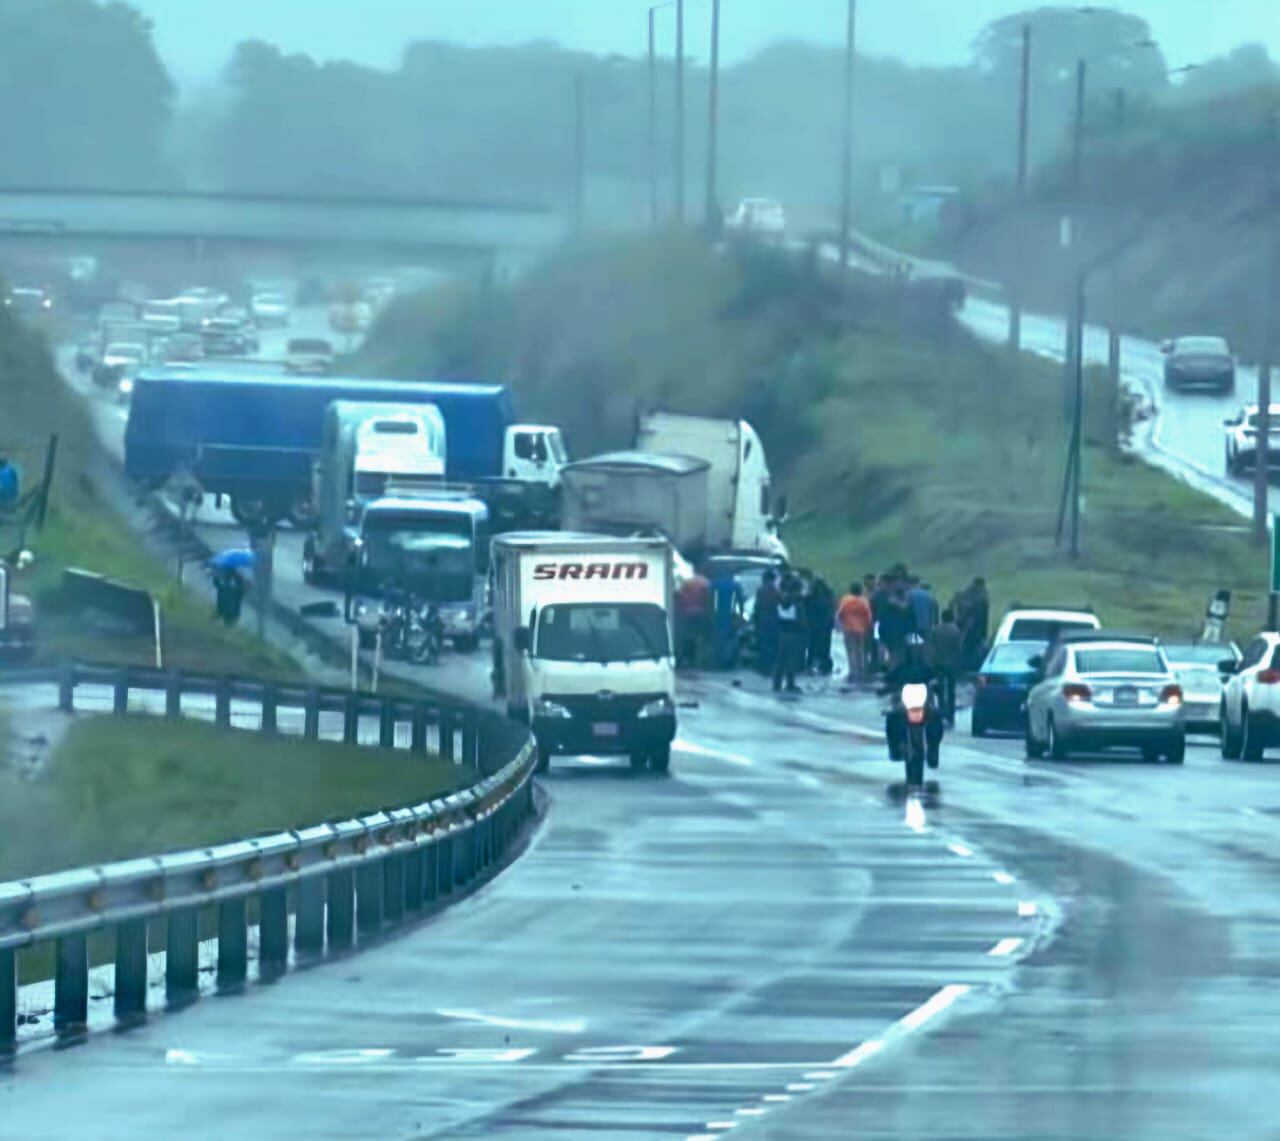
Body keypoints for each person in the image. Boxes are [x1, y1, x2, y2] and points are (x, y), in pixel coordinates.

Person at [882, 634, 944, 770]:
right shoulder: (902, 667)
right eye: (912, 649)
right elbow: (890, 678)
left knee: (936, 717)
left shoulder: (927, 668)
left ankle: (933, 749)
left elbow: (935, 679)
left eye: (917, 649)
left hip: (923, 702)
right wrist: (887, 686)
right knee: (892, 717)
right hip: (905, 702)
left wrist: (936, 685)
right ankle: (895, 748)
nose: (915, 653)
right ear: (908, 650)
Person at [773, 574, 807, 694]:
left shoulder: (780, 601)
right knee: (792, 660)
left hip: (782, 633)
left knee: (781, 659)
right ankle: (790, 683)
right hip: (794, 634)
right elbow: (802, 621)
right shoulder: (797, 604)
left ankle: (777, 683)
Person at [930, 608, 964, 727]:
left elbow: (932, 647)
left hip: (939, 662)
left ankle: (941, 710)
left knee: (939, 689)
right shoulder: (956, 631)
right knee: (951, 690)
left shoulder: (936, 630)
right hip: (952, 663)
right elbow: (959, 648)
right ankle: (950, 715)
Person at [837, 582, 873, 688]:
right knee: (860, 650)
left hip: (848, 628)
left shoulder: (845, 600)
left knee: (850, 650)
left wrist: (841, 624)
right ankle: (860, 670)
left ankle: (853, 671)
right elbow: (868, 615)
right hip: (861, 629)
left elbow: (840, 613)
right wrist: (868, 626)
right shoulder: (864, 601)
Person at [676, 571, 712, 669]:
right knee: (699, 637)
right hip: (701, 613)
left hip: (687, 613)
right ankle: (696, 660)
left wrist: (680, 610)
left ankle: (685, 658)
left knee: (687, 637)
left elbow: (680, 597)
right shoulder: (706, 583)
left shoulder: (687, 583)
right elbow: (709, 599)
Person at [711, 565, 744, 670]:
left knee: (718, 640)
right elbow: (740, 601)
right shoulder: (735, 585)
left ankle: (718, 662)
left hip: (718, 616)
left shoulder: (715, 584)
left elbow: (710, 600)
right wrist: (741, 614)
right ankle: (729, 663)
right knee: (730, 640)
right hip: (731, 616)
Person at [753, 568, 781, 676]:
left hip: (763, 621)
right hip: (774, 621)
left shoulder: (761, 590)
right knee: (772, 645)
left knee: (764, 644)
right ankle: (770, 666)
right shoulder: (776, 591)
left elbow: (757, 607)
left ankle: (765, 666)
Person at [806, 575, 836, 675]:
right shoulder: (828, 595)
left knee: (814, 647)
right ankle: (823, 666)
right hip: (823, 626)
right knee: (823, 647)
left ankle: (814, 665)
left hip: (817, 625)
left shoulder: (812, 596)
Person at [961, 576, 991, 669]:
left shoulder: (966, 594)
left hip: (967, 627)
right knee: (974, 650)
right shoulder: (981, 597)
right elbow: (982, 615)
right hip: (975, 628)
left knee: (968, 649)